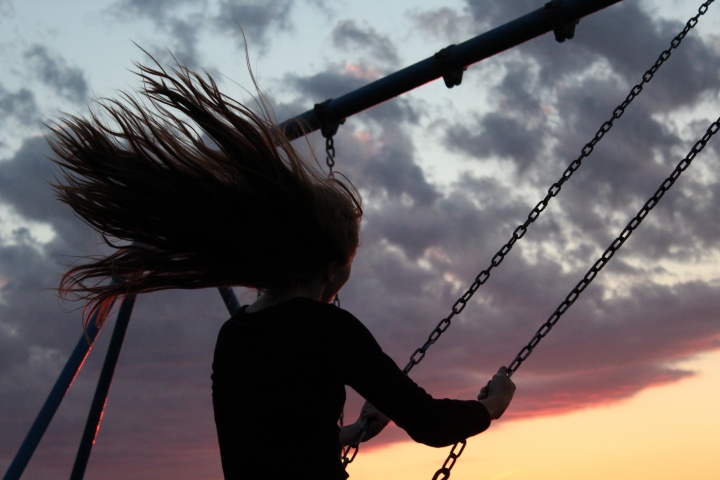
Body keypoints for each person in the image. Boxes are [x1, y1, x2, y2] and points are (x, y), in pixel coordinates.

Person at [49, 57, 516, 480]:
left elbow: (269, 451)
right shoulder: (328, 329)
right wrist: (490, 407)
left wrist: (352, 430)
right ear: (332, 267)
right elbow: (430, 424)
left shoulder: (235, 335)